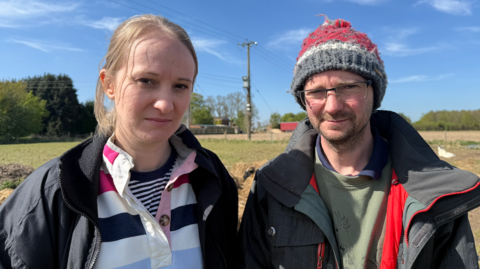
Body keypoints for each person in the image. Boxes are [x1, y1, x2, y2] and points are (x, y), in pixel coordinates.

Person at [238, 16, 480, 269]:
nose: (332, 106)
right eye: (316, 91)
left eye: (349, 87)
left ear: (375, 93)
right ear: (303, 100)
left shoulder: (433, 191)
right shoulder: (271, 185)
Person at [0, 14, 237, 269]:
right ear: (109, 84)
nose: (165, 104)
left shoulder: (213, 179)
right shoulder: (55, 191)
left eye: (180, 86)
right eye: (146, 81)